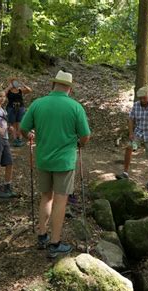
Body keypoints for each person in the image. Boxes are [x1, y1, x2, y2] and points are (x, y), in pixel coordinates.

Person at [20, 70, 90, 258]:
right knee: (61, 200)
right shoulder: (75, 107)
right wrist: (79, 144)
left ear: (53, 85)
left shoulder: (38, 104)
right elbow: (85, 136)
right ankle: (55, 242)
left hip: (43, 158)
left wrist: (29, 136)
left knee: (46, 197)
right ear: (69, 88)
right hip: (64, 161)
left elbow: (23, 128)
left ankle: (42, 234)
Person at [115, 86, 148, 193]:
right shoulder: (136, 105)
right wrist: (131, 133)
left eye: (144, 98)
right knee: (129, 147)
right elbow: (131, 119)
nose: (142, 100)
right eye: (140, 98)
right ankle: (125, 173)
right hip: (139, 133)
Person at [5, 78, 32, 147]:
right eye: (13, 82)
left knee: (19, 123)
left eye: (16, 82)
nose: (15, 83)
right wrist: (9, 87)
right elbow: (3, 93)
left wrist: (23, 85)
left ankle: (19, 138)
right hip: (11, 107)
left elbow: (29, 90)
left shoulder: (20, 90)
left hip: (20, 107)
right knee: (13, 123)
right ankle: (15, 139)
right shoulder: (9, 90)